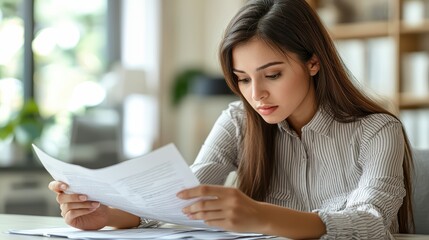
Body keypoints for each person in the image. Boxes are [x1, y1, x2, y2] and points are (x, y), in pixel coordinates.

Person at [48, 0, 415, 239]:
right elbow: (179, 200)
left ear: (313, 63)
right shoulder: (239, 120)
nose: (256, 94)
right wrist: (108, 214)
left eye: (272, 75)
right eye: (242, 79)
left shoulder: (377, 130)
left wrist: (262, 217)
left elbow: (373, 222)